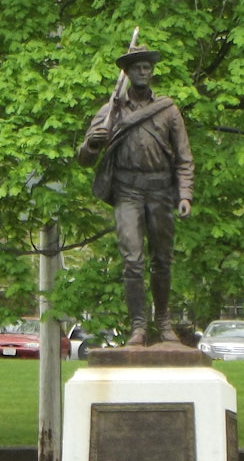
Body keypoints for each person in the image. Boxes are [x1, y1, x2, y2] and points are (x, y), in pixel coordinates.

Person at [78, 44, 194, 346]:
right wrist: (92, 143)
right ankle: (138, 326)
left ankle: (164, 320)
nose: (144, 71)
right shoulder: (110, 111)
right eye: (138, 67)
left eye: (148, 66)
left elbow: (184, 157)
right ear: (127, 73)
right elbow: (84, 158)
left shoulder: (168, 110)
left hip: (160, 191)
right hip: (126, 191)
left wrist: (185, 194)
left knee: (163, 261)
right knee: (132, 260)